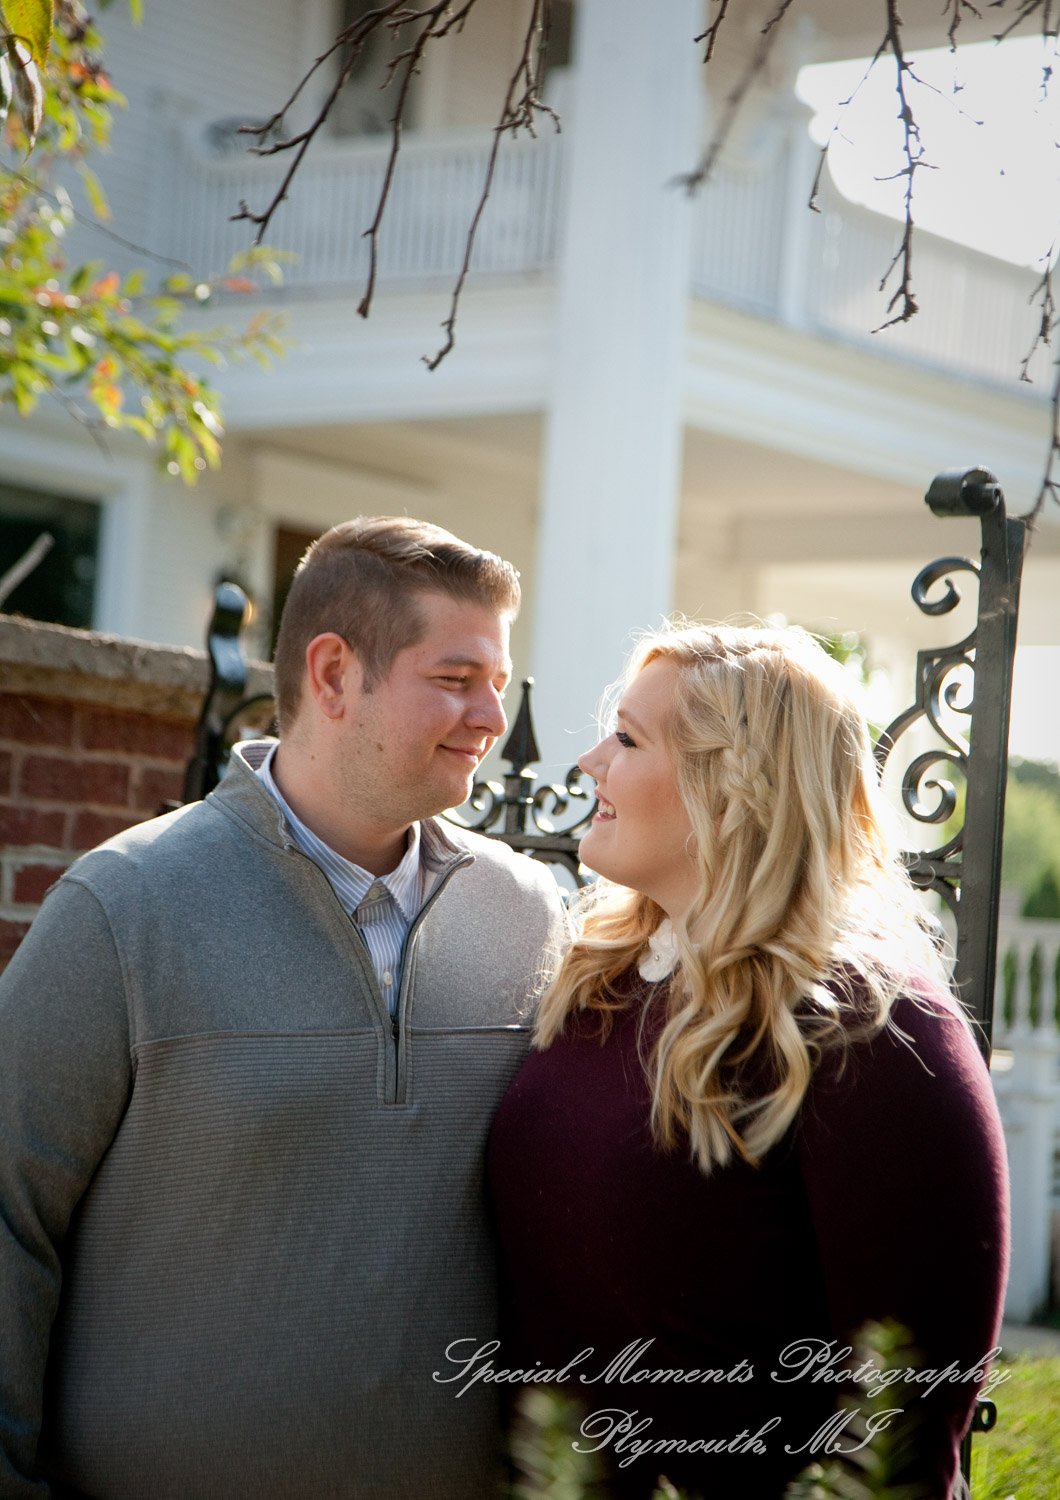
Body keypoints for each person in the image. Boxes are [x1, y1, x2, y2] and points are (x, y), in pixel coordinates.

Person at [0, 516, 568, 1500]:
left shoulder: (528, 917)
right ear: (335, 674)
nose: (490, 714)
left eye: (497, 681)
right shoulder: (125, 905)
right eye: (454, 678)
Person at [487, 624, 1009, 1500]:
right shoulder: (598, 980)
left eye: (626, 739)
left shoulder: (873, 1027)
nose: (587, 764)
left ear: (731, 788)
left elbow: (905, 1417)